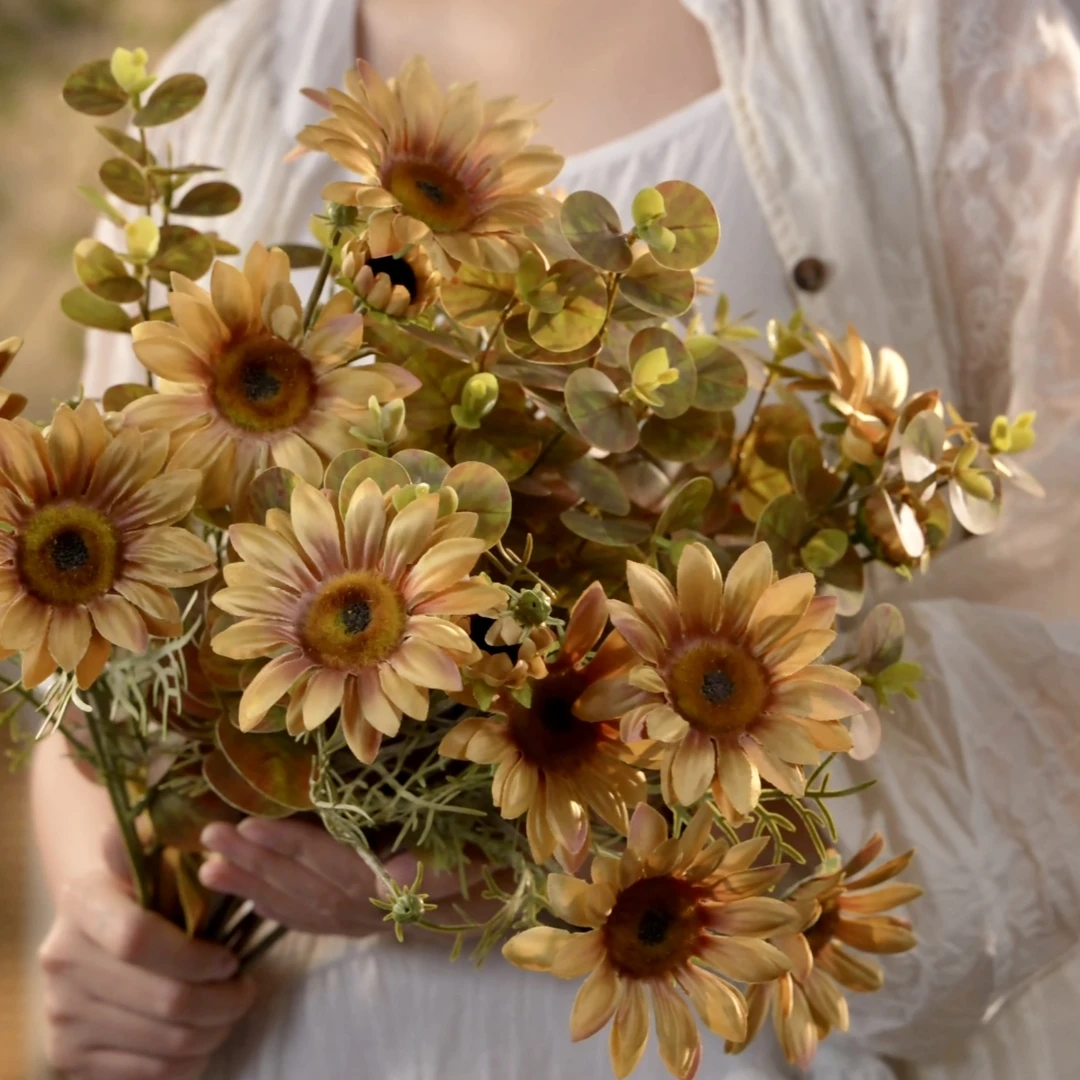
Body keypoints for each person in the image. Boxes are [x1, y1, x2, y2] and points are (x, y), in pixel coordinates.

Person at [35, 0, 1080, 1077]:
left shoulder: (935, 37)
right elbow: (112, 644)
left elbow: (1061, 613)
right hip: (304, 1039)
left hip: (708, 1024)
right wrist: (105, 928)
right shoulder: (230, 81)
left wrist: (546, 867)